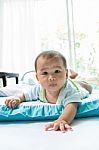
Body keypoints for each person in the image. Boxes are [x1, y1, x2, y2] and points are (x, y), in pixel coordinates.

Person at [5, 50, 92, 132]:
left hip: (76, 86)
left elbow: (71, 107)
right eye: (45, 73)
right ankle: (72, 77)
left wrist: (62, 120)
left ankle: (75, 78)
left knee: (86, 86)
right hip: (65, 80)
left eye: (57, 71)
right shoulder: (38, 89)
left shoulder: (69, 91)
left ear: (65, 73)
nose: (51, 78)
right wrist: (17, 98)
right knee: (73, 81)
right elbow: (24, 96)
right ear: (37, 78)